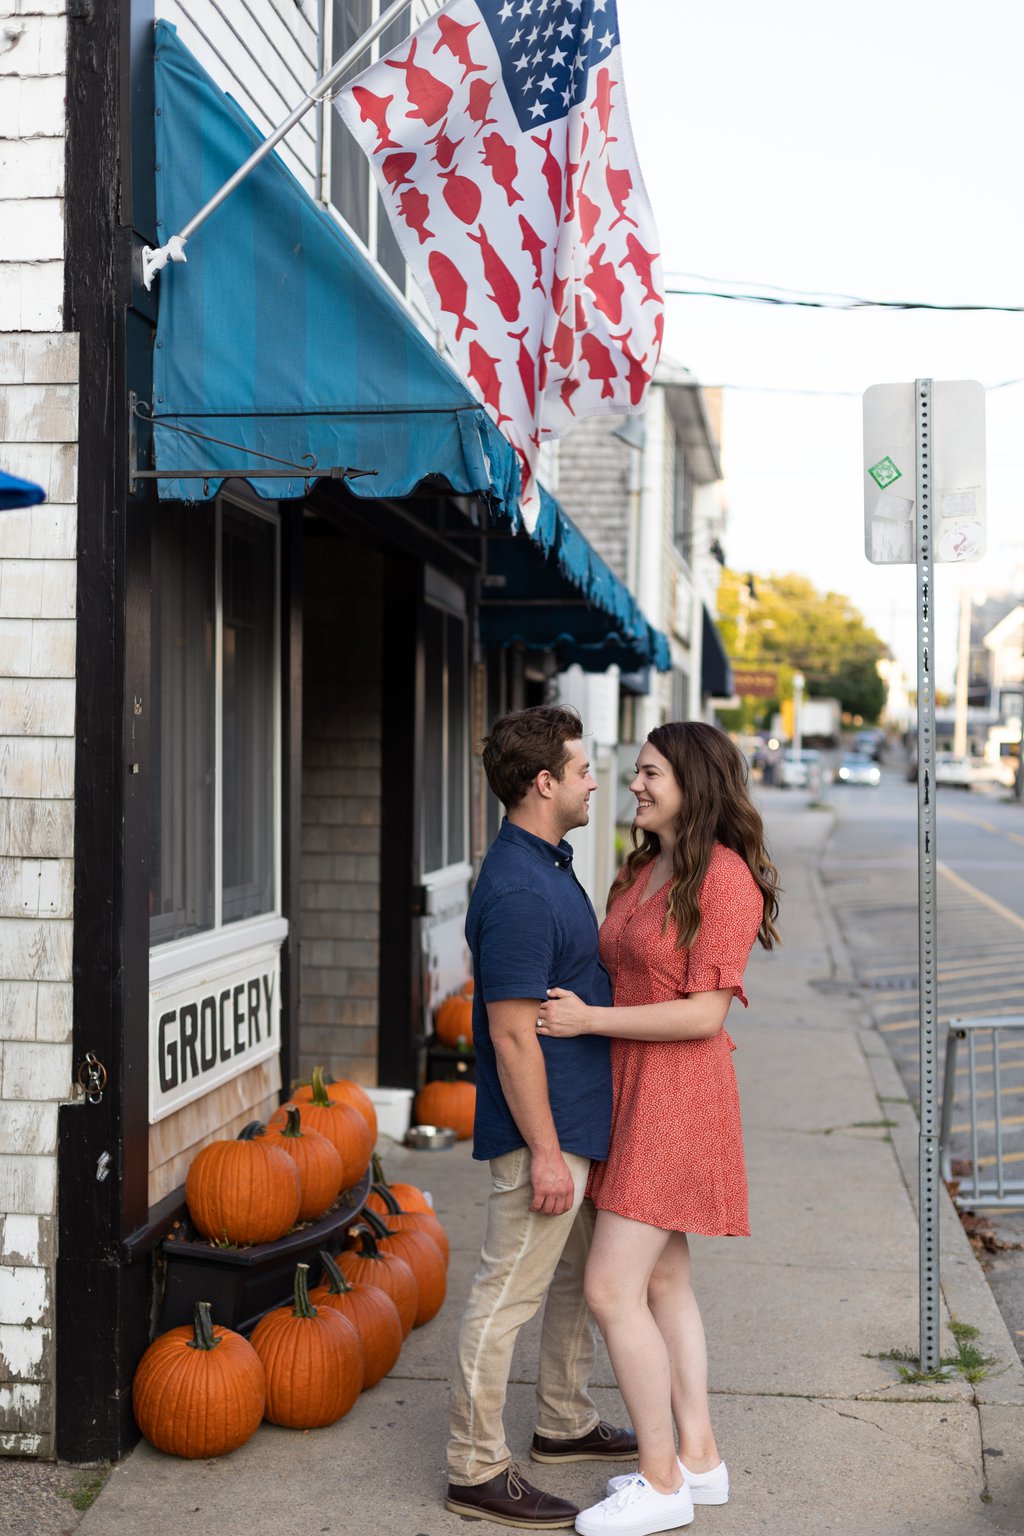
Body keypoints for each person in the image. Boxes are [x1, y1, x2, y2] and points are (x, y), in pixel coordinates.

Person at [537, 721, 781, 1536]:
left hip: (677, 1100)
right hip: (633, 1090)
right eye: (635, 774)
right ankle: (700, 1460)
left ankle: (660, 1479)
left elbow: (706, 1014)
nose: (632, 786)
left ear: (692, 781)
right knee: (665, 1282)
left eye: (648, 775)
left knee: (612, 1288)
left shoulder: (725, 879)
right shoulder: (648, 866)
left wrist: (588, 1023)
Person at [447, 705, 638, 1529]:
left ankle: (564, 1423)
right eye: (583, 766)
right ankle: (475, 1467)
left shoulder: (549, 864)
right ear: (543, 782)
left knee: (573, 1287)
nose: (597, 778)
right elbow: (510, 1035)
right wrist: (549, 1154)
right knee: (506, 1296)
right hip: (545, 1137)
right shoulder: (521, 889)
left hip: (580, 1124)